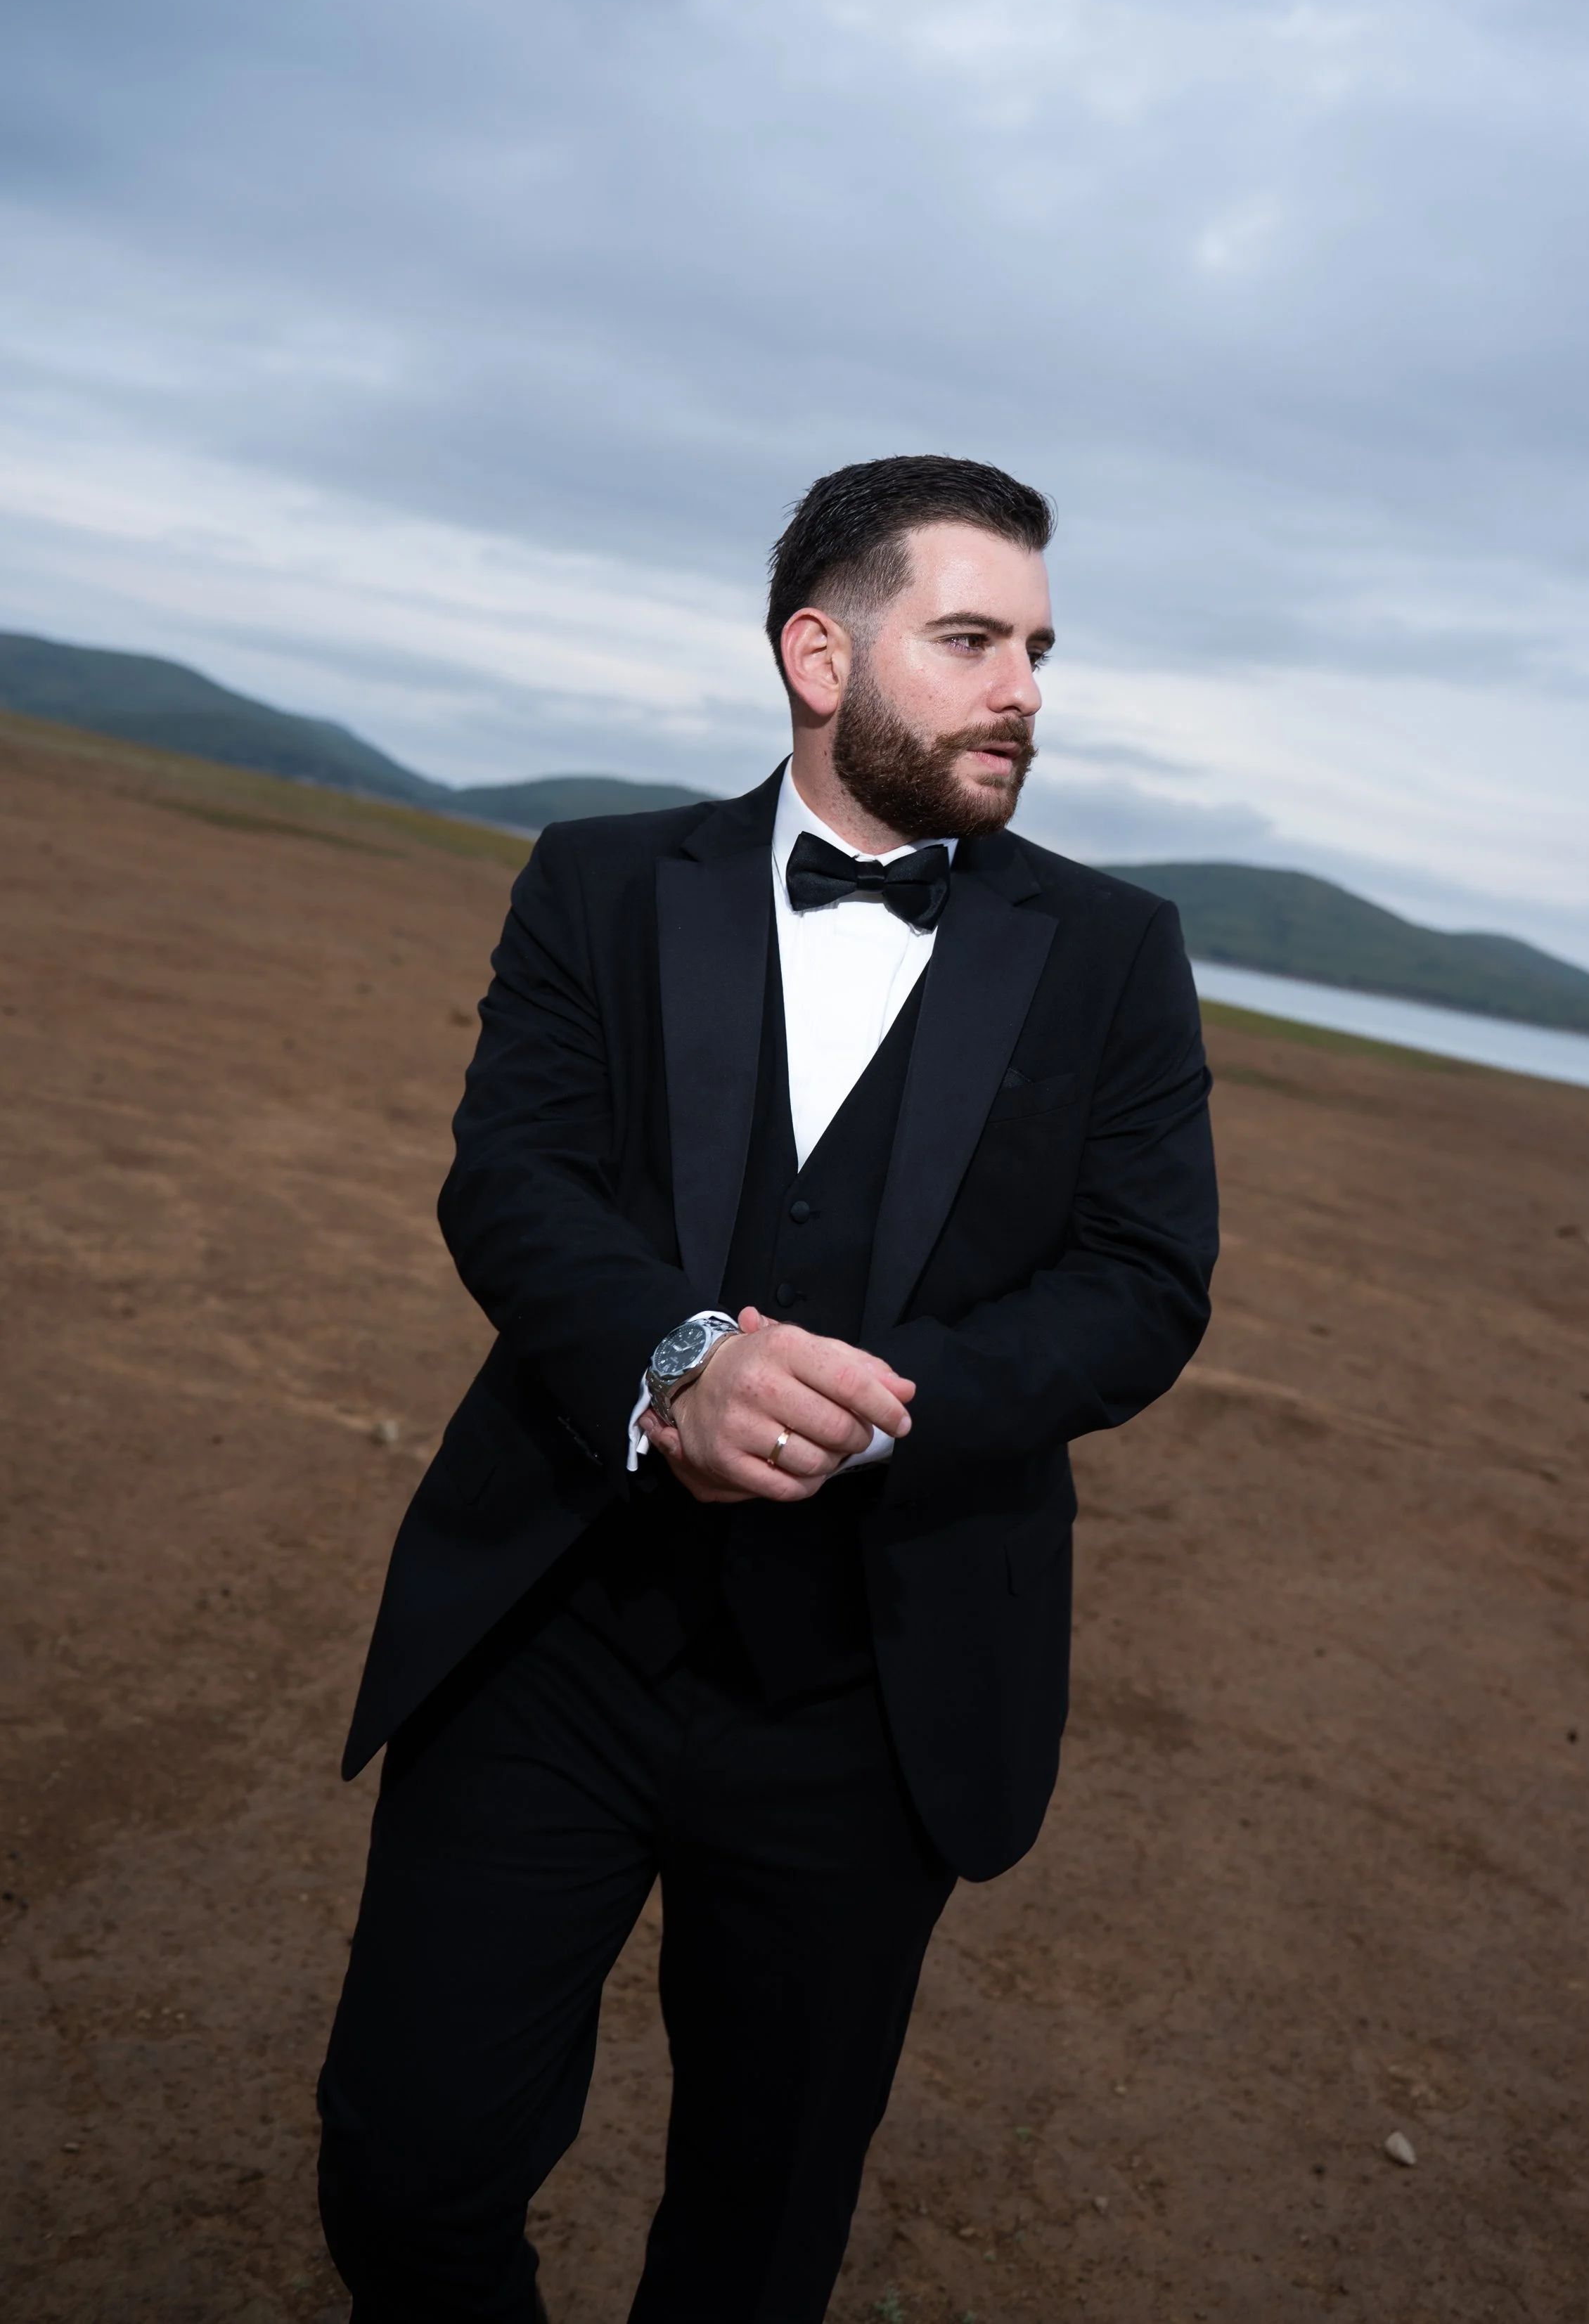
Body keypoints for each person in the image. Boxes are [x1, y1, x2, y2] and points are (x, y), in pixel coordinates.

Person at [316, 453, 1219, 2323]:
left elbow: (1141, 1283)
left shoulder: (1116, 954)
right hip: (552, 1631)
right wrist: (678, 1363)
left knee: (755, 2242)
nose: (1022, 692)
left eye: (1039, 650)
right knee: (405, 2167)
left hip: (874, 1699)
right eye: (969, 640)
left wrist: (883, 1397)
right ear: (820, 653)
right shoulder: (596, 880)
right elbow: (514, 1176)